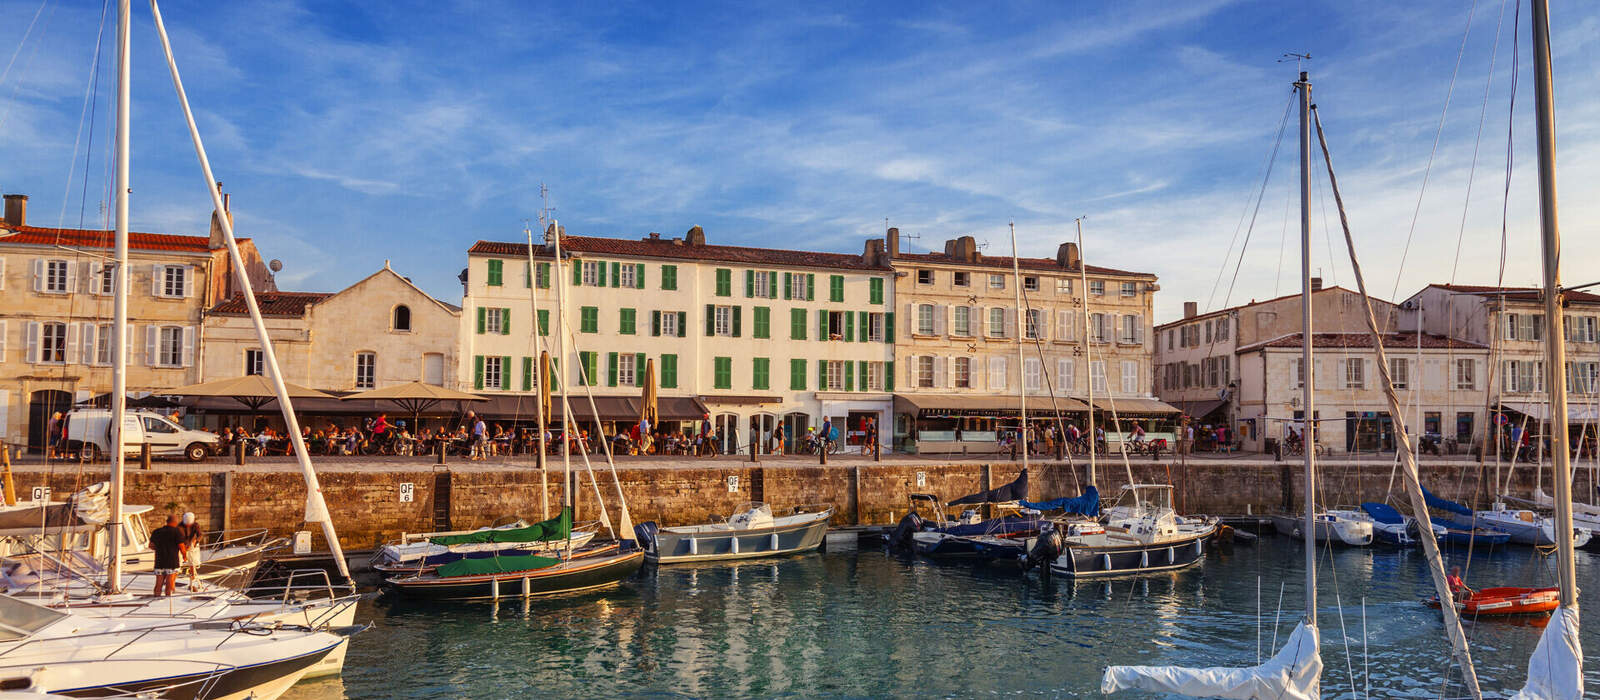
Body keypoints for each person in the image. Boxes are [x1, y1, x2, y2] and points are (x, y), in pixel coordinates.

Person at [149, 514, 185, 596]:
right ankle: (168, 600)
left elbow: (151, 545)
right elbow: (182, 547)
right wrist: (185, 556)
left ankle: (156, 597)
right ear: (175, 522)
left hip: (159, 561)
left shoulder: (157, 531)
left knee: (159, 583)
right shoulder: (177, 532)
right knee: (170, 582)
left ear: (167, 521)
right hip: (172, 561)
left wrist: (160, 549)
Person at [178, 512, 205, 586]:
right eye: (187, 524)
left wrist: (195, 541)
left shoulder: (196, 525)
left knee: (193, 560)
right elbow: (179, 538)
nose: (188, 525)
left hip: (192, 544)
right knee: (178, 561)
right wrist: (184, 546)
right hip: (182, 544)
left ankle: (192, 576)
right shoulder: (179, 527)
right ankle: (176, 572)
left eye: (189, 524)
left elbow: (200, 535)